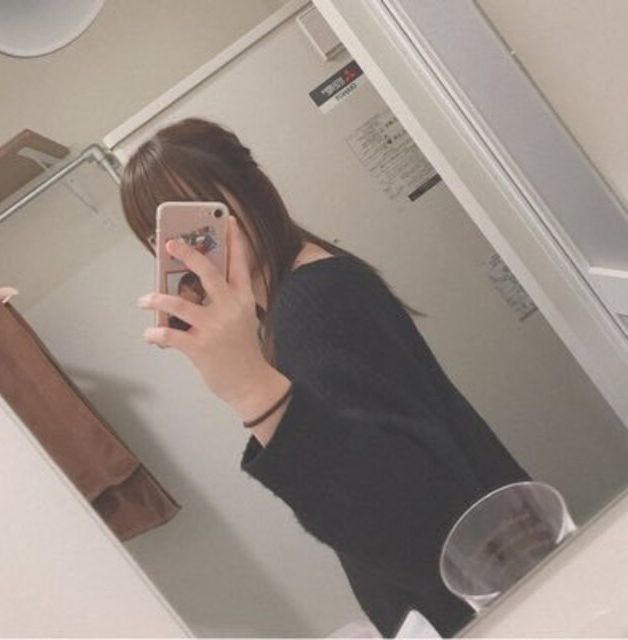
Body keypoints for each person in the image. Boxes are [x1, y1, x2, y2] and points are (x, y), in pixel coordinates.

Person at [120, 118, 530, 637]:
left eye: (203, 222)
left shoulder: (312, 301)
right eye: (166, 238)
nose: (191, 250)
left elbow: (403, 522)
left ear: (252, 188)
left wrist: (248, 388)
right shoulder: (302, 291)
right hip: (493, 571)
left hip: (481, 598)